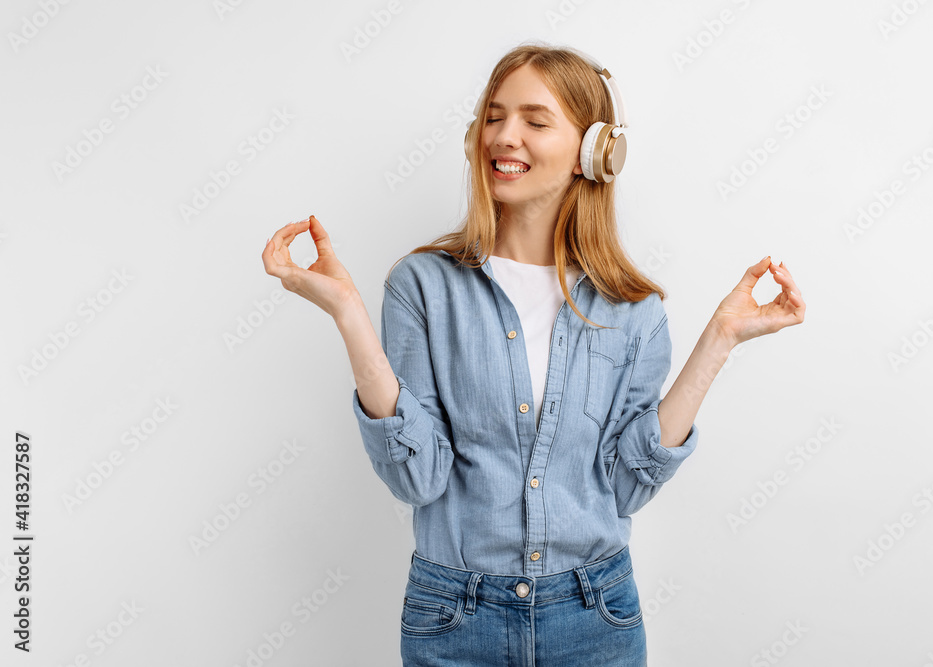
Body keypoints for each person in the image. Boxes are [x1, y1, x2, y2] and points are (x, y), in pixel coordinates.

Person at [262, 42, 805, 667]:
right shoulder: (422, 286)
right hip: (453, 616)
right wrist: (349, 315)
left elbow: (625, 486)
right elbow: (418, 477)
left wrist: (720, 341)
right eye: (493, 117)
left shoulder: (633, 309)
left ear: (596, 152)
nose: (504, 136)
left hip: (595, 614)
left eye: (535, 121)